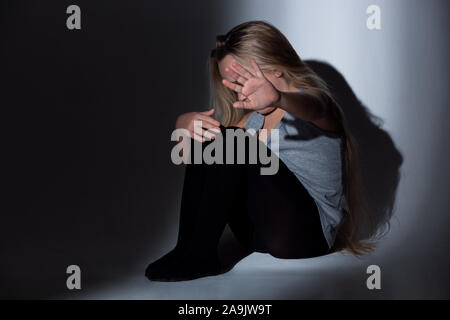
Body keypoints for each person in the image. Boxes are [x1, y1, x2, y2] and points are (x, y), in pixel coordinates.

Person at [145, 20, 372, 282]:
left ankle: (198, 255)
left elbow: (315, 108)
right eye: (233, 85)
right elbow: (204, 177)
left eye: (243, 80)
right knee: (215, 137)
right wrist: (183, 127)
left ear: (275, 68)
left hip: (307, 236)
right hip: (258, 235)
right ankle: (187, 250)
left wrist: (280, 99)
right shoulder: (250, 123)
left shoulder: (312, 101)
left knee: (233, 140)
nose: (240, 92)